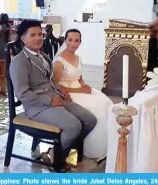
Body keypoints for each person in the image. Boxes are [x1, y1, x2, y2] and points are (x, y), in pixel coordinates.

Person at [10, 20, 97, 172]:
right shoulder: (19, 62)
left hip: (56, 98)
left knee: (90, 120)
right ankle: (56, 158)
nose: (38, 38)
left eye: (40, 34)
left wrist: (61, 92)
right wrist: (49, 100)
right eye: (33, 35)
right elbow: (22, 93)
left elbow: (50, 81)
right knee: (74, 126)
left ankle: (58, 153)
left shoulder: (44, 56)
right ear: (23, 38)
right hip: (37, 106)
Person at [53, 29, 113, 159]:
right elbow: (56, 85)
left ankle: (91, 144)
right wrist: (79, 90)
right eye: (70, 40)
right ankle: (78, 146)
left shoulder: (78, 58)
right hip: (68, 94)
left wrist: (83, 84)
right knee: (97, 109)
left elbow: (78, 76)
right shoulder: (59, 61)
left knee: (106, 102)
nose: (73, 44)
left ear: (80, 42)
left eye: (77, 40)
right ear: (65, 40)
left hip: (79, 88)